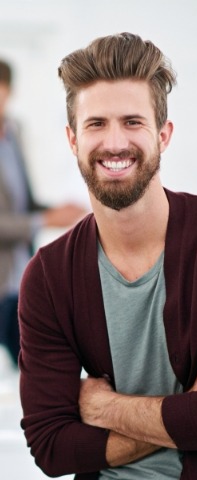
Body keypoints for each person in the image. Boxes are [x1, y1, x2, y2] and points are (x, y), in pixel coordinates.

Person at [18, 33, 197, 480]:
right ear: (72, 139)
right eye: (96, 124)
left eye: (132, 122)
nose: (114, 142)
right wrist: (184, 415)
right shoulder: (49, 275)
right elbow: (51, 445)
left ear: (164, 134)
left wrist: (103, 408)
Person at [0, 59, 87, 366]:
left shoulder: (14, 132)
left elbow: (22, 200)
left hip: (17, 274)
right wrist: (45, 220)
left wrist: (55, 210)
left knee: (31, 364)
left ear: (8, 91)